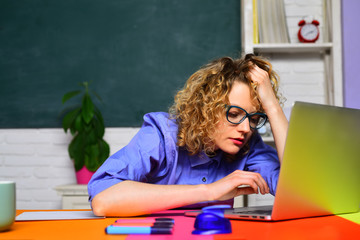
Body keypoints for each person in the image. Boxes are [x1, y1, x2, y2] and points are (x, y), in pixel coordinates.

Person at [88, 54, 288, 217]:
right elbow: (103, 198)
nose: (246, 128)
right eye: (234, 114)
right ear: (206, 109)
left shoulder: (248, 145)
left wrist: (273, 108)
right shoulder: (162, 134)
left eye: (254, 119)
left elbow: (300, 193)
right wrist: (209, 191)